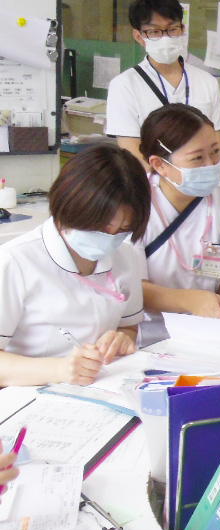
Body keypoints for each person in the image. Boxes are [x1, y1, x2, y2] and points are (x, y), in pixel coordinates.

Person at [0, 145, 150, 386]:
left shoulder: (126, 257)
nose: (109, 238)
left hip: (101, 388)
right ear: (68, 206)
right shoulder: (14, 261)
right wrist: (58, 370)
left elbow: (129, 327)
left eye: (123, 230)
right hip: (30, 393)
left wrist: (122, 339)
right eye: (100, 227)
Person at [135, 104, 220, 338]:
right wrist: (189, 300)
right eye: (197, 158)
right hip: (144, 336)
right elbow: (131, 288)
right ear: (160, 165)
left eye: (215, 152)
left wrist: (212, 331)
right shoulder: (132, 202)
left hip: (208, 335)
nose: (211, 165)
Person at [106, 0, 220, 171]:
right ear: (139, 36)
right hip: (152, 185)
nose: (165, 38)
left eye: (172, 29)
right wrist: (171, 181)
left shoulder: (206, 81)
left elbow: (215, 146)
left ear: (182, 30)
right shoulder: (124, 85)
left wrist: (201, 177)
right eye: (154, 32)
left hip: (201, 180)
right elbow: (132, 153)